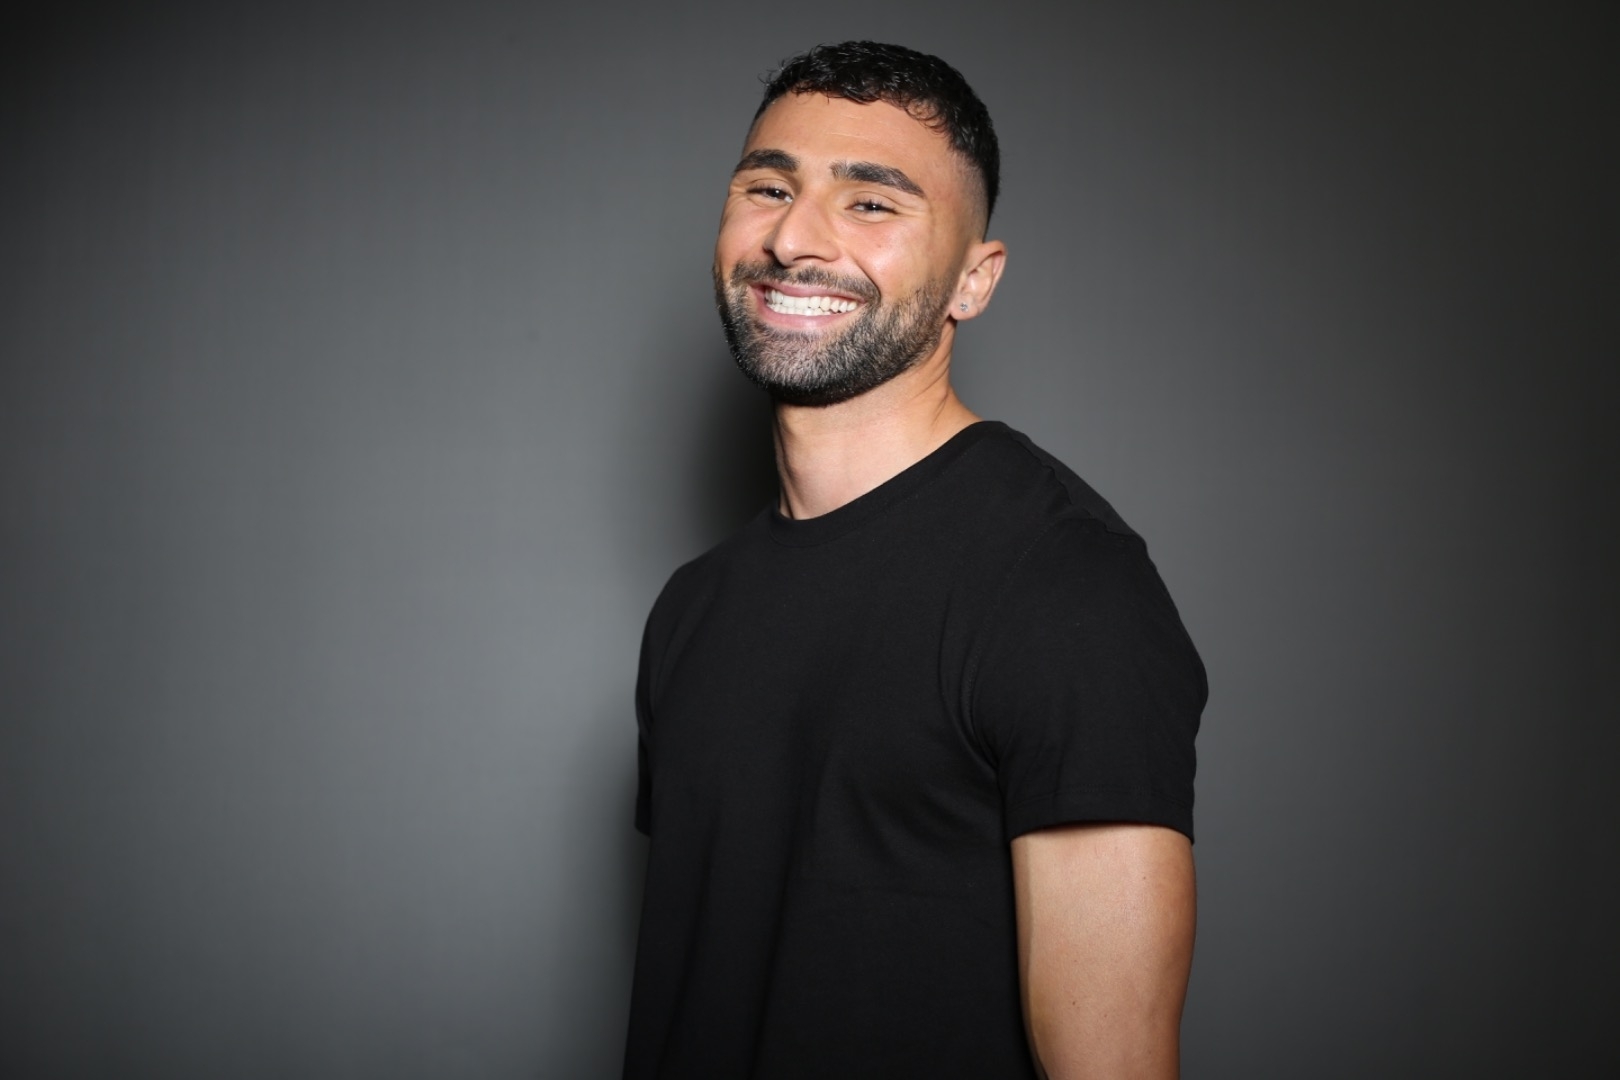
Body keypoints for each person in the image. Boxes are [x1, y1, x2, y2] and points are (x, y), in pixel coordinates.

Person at [624, 41, 1206, 1080]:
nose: (794, 239)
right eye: (769, 189)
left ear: (973, 281)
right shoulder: (691, 609)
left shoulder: (1063, 586)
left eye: (871, 204)